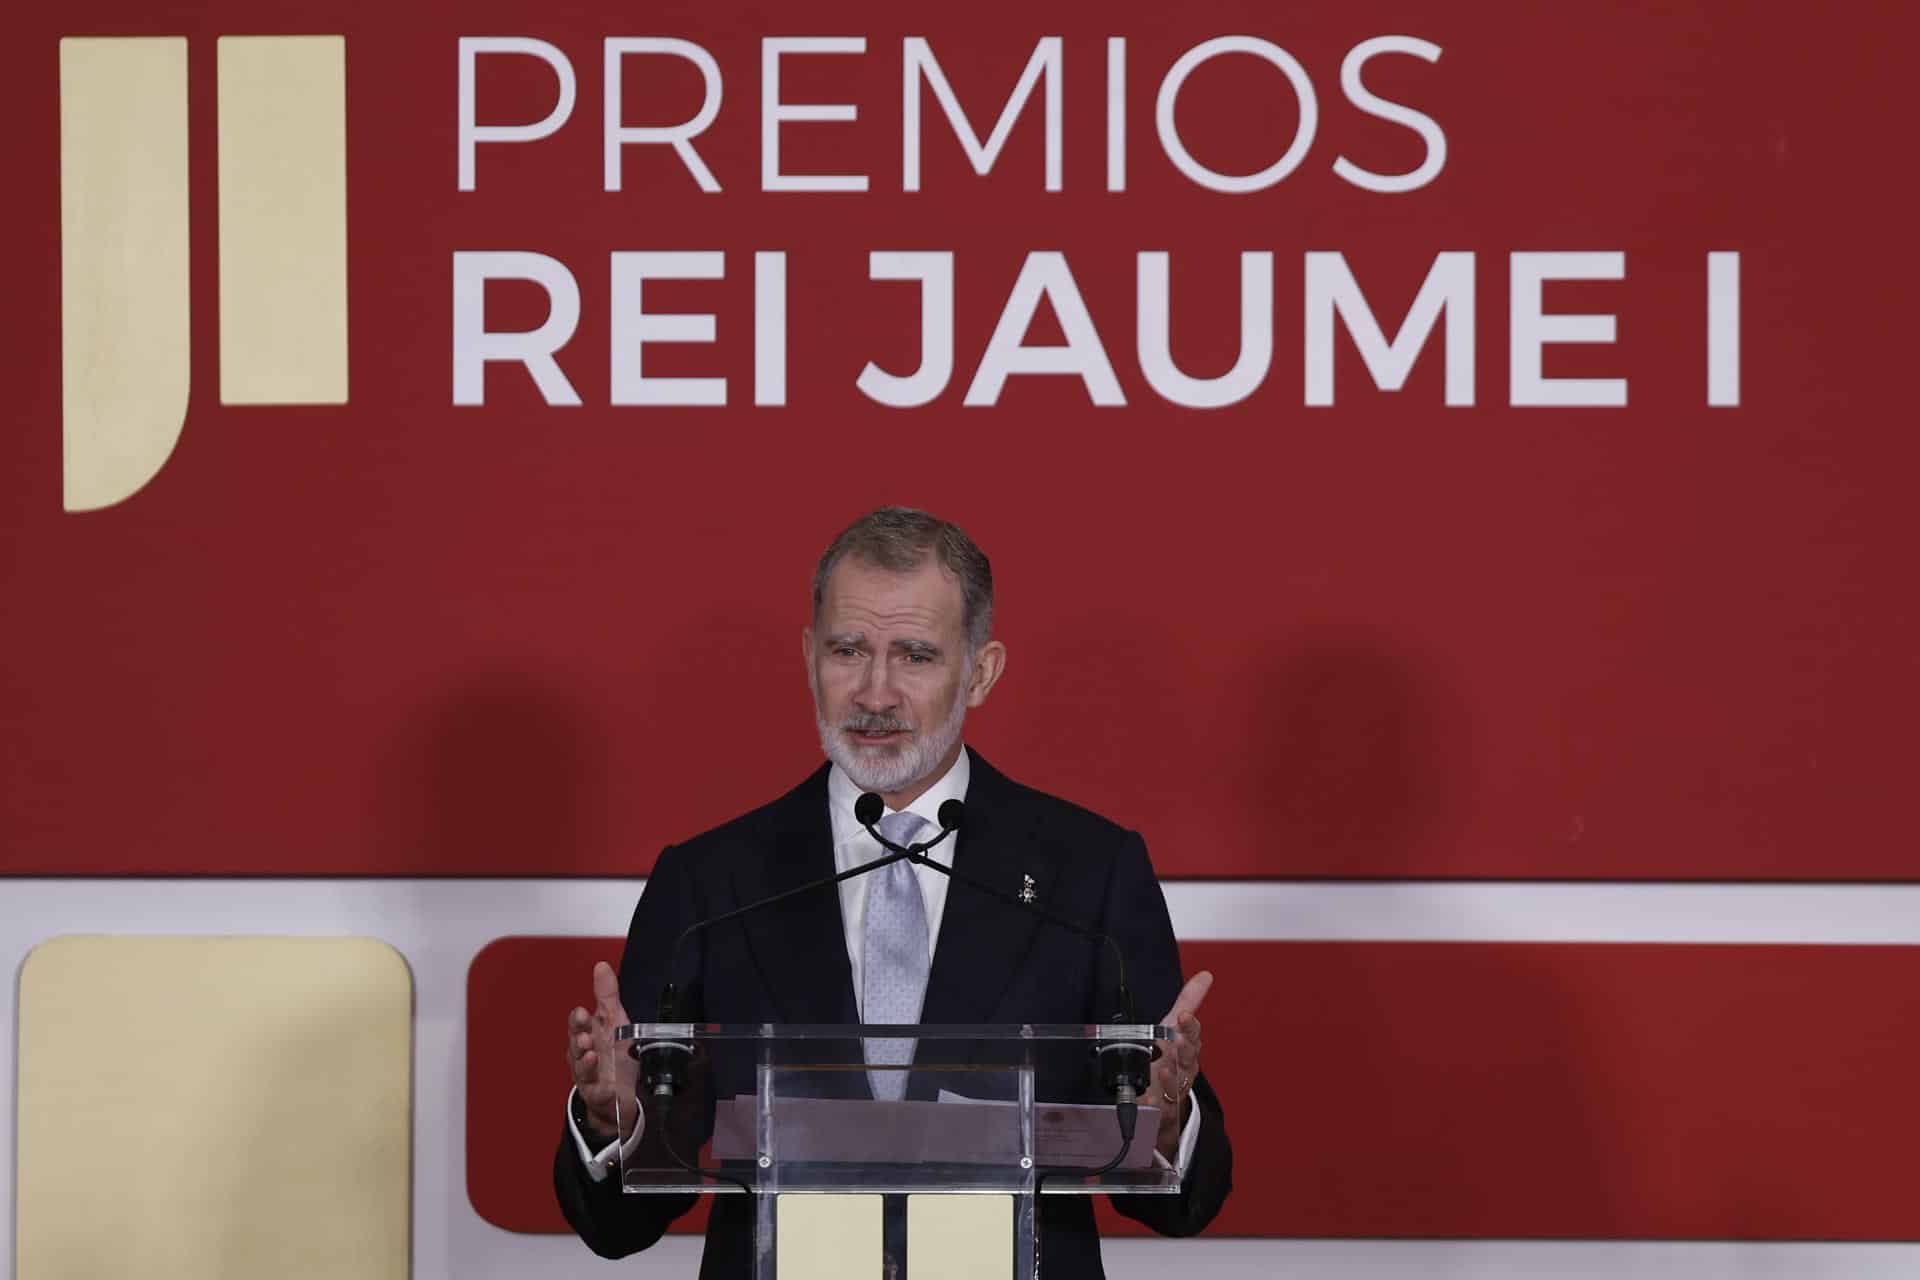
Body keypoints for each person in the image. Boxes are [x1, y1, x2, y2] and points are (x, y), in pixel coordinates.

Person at [554, 507, 1231, 1278]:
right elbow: (618, 1225)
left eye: (914, 655)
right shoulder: (712, 880)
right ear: (811, 655)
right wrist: (618, 1121)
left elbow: (1185, 1203)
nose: (875, 693)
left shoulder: (1091, 871)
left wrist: (1168, 1123)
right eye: (849, 650)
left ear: (980, 671)